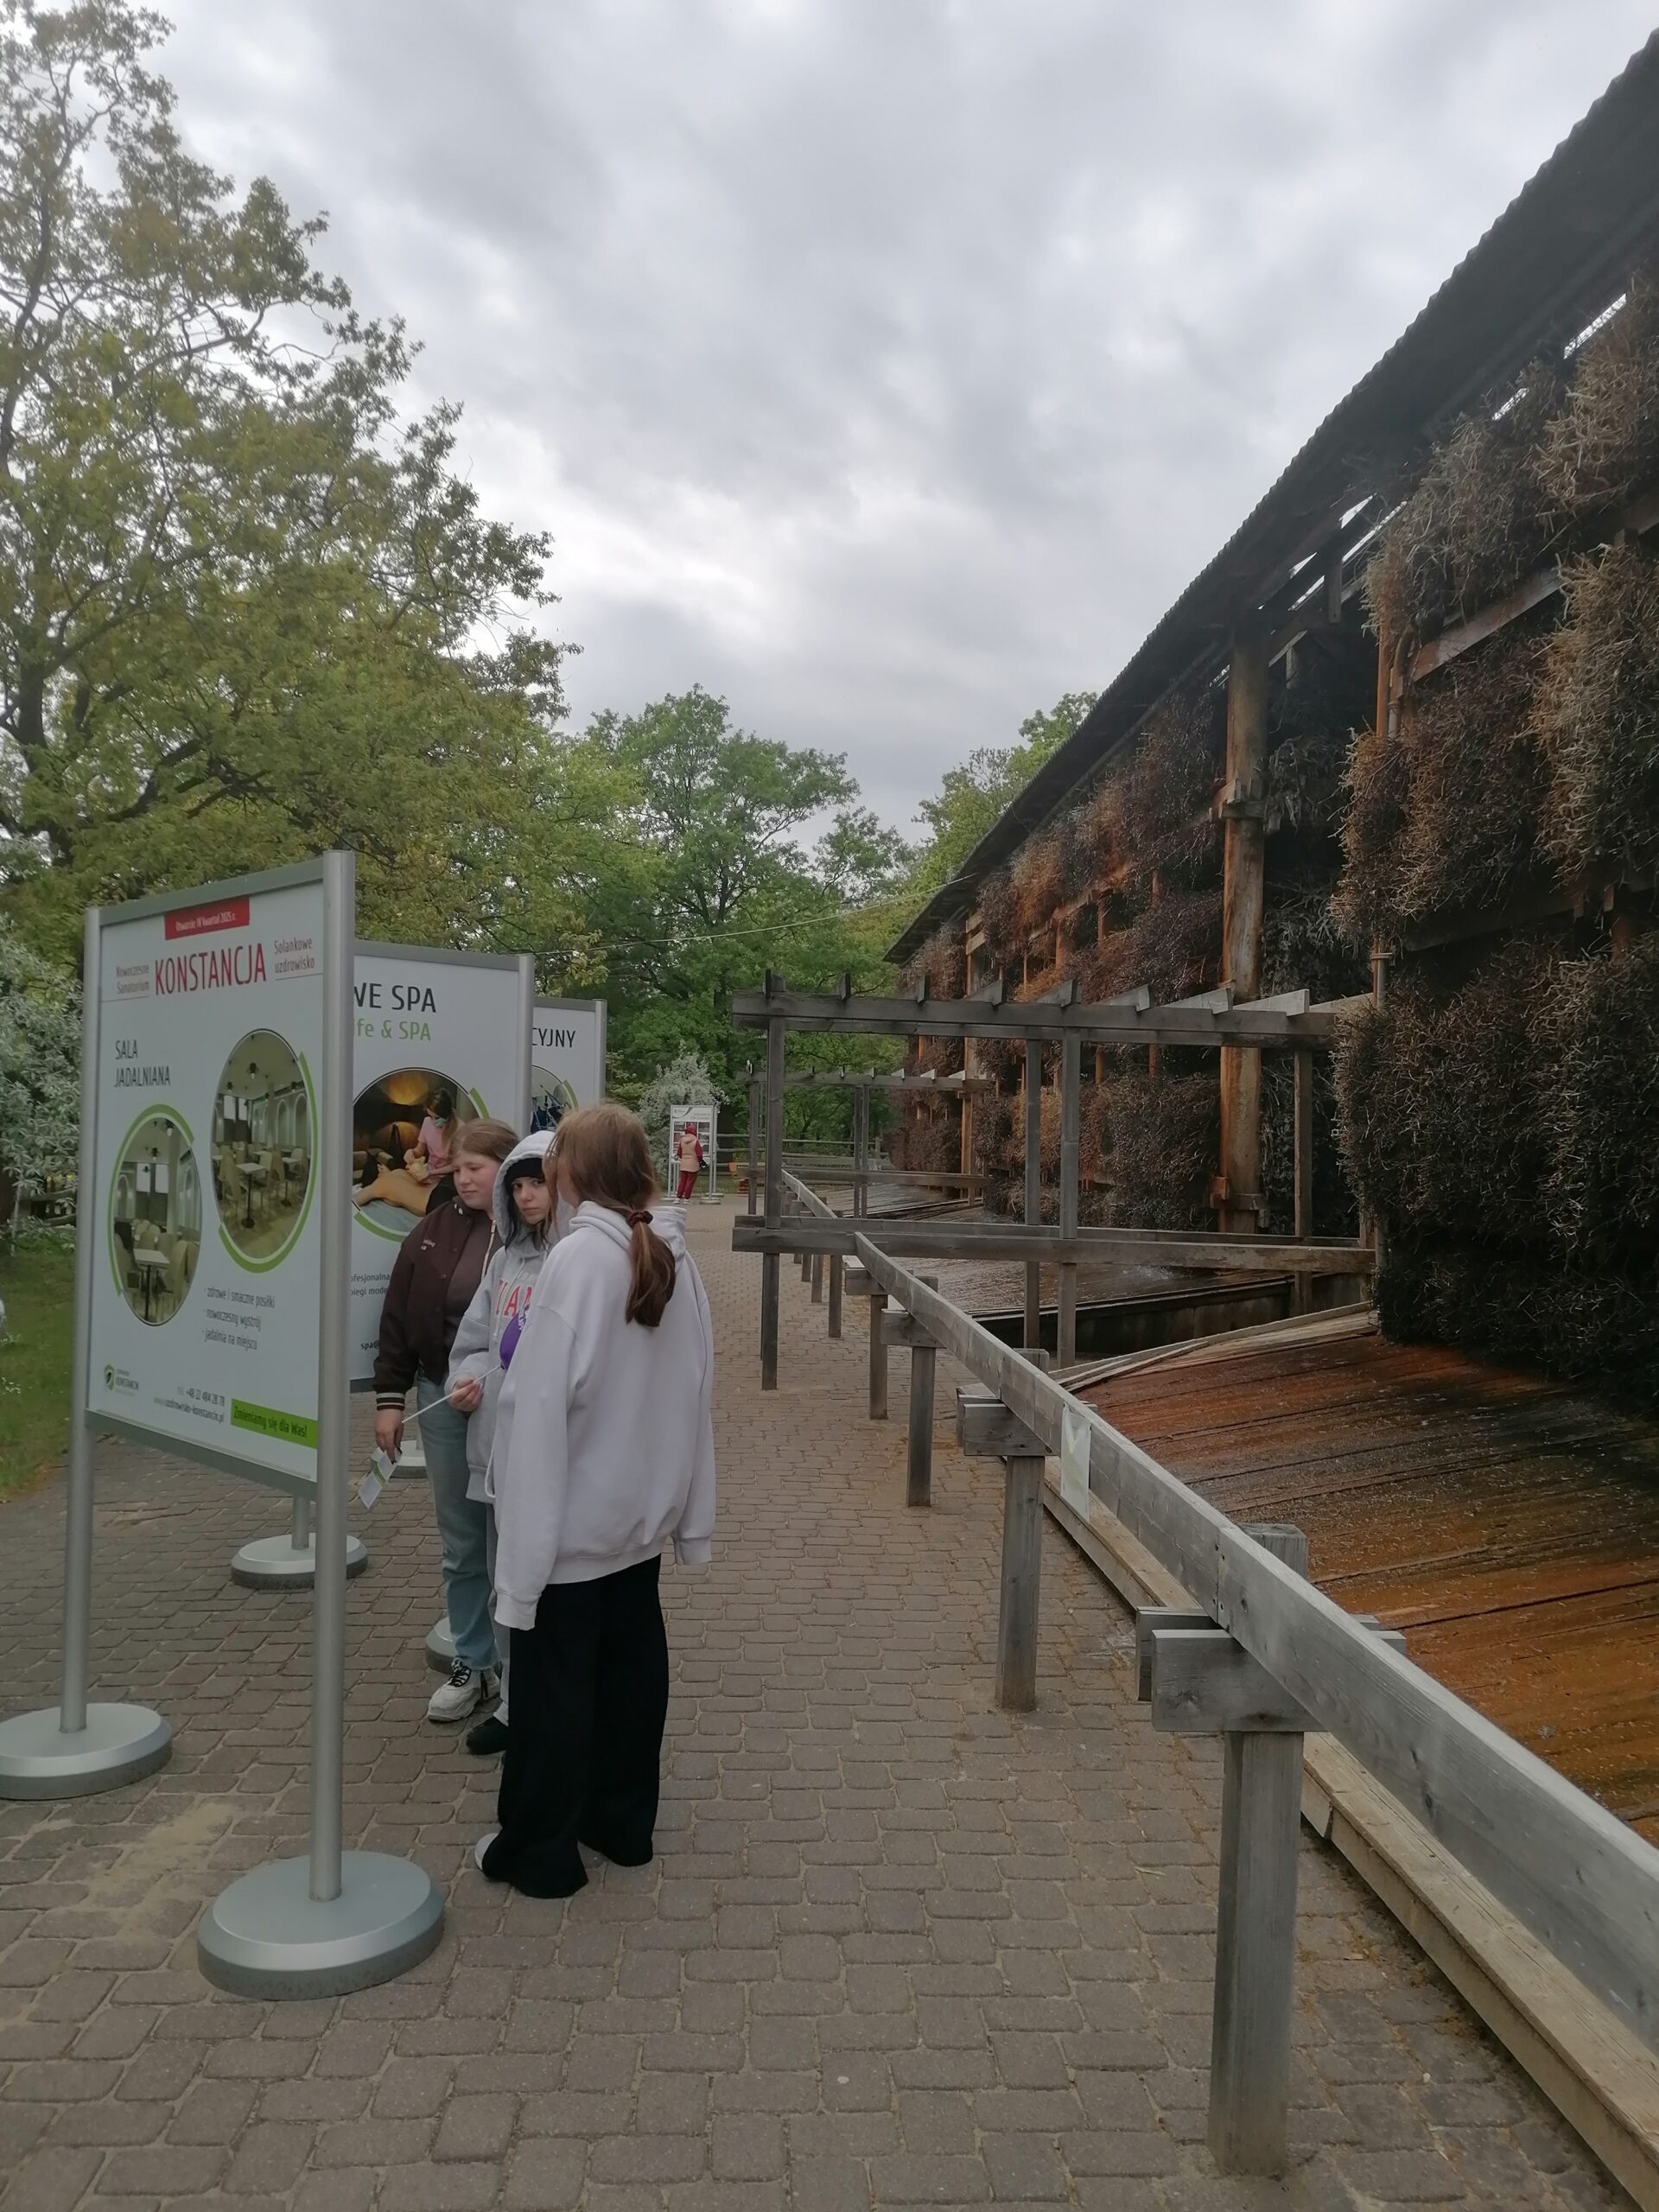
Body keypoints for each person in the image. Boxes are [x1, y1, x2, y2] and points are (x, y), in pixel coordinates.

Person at [476, 1102, 715, 1897]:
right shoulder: (672, 1256)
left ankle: (540, 1854)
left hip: (571, 1537)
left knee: (555, 1696)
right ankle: (621, 1825)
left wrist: (520, 1566)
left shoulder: (577, 1261)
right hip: (638, 1531)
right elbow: (697, 1393)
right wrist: (691, 1521)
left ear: (572, 1172)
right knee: (630, 1682)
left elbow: (536, 1414)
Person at [374, 1116, 518, 1724]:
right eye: (457, 1169)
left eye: (475, 1169)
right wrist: (390, 1399)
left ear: (506, 1169)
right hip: (441, 1400)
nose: (462, 1179)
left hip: (511, 1409)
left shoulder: (537, 1234)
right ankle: (473, 1661)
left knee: (509, 1540)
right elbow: (397, 1316)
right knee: (461, 1542)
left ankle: (517, 1670)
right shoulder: (430, 1233)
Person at [444, 1130, 557, 1758]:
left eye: (538, 1183)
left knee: (547, 1588)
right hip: (495, 1458)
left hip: (547, 1460)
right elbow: (474, 1341)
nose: (527, 1196)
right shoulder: (504, 1262)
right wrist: (465, 1382)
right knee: (502, 1582)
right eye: (517, 1186)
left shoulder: (576, 1262)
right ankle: (514, 1705)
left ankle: (550, 1704)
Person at [409, 1088, 460, 1179]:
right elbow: (420, 1150)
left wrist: (432, 1173)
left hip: (448, 1178)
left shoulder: (460, 1129)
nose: (432, 1121)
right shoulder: (427, 1122)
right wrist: (412, 1152)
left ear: (446, 1113)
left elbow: (457, 1164)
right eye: (430, 1116)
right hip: (428, 1172)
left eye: (436, 1118)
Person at [674, 1119, 704, 1201]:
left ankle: (678, 1197)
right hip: (693, 1163)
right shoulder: (695, 1141)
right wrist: (701, 1162)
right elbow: (699, 1154)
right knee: (690, 1181)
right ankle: (687, 1198)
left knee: (682, 1181)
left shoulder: (682, 1141)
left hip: (684, 1163)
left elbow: (679, 1153)